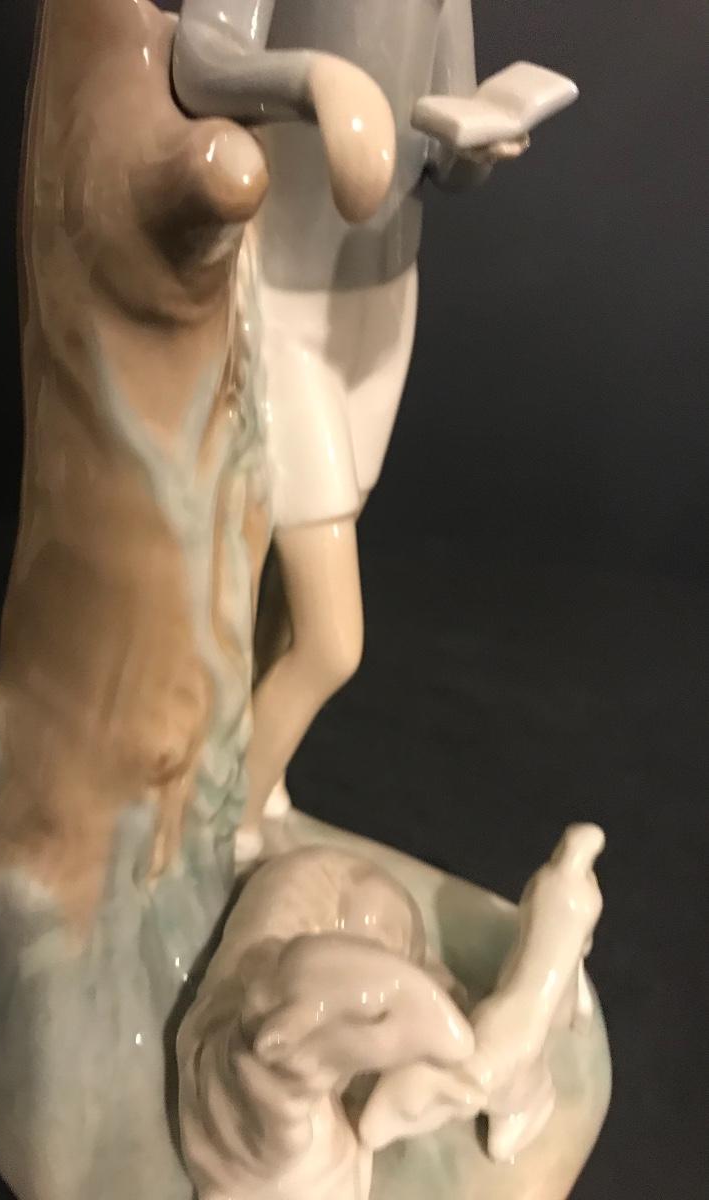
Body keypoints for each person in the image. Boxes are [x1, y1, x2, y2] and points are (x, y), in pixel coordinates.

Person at [173, 0, 530, 860]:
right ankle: (221, 834)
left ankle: (251, 771)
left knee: (290, 588)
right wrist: (316, 81)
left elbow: (445, 146)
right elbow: (199, 59)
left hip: (383, 299)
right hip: (284, 299)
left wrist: (475, 147)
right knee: (332, 641)